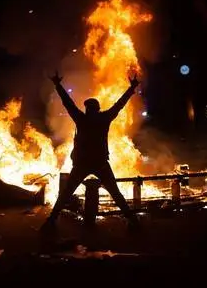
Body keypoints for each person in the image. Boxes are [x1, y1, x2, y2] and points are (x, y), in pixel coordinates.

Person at [41, 71, 141, 232]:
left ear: (88, 109)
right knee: (115, 193)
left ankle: (51, 221)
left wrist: (58, 85)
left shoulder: (82, 118)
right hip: (100, 163)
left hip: (82, 164)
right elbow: (119, 104)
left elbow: (68, 103)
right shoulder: (105, 118)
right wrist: (132, 88)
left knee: (66, 194)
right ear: (98, 108)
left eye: (87, 107)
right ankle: (132, 220)